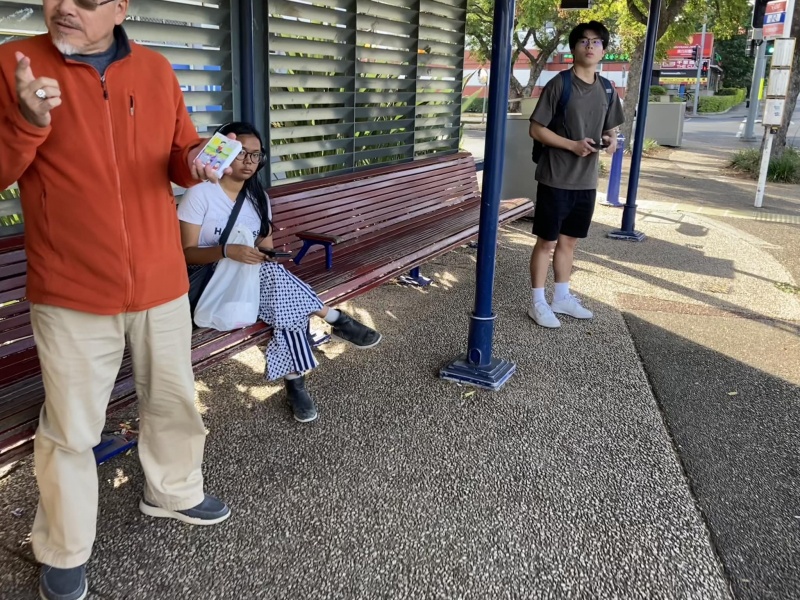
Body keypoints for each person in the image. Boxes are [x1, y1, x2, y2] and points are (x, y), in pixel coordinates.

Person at [0, 2, 233, 599]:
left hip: (160, 279)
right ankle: (64, 547)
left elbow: (178, 155)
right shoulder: (14, 64)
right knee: (71, 428)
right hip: (71, 286)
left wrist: (198, 161)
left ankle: (173, 492)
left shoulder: (155, 70)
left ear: (120, 7)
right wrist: (26, 121)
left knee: (174, 401)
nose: (65, 7)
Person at [178, 122, 382, 424]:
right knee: (282, 291)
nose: (249, 161)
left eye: (255, 155)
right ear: (224, 153)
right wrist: (228, 251)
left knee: (284, 299)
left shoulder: (258, 199)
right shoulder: (200, 194)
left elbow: (266, 250)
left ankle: (299, 378)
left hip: (250, 281)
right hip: (209, 286)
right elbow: (186, 253)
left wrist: (261, 254)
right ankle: (330, 326)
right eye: (240, 153)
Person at [527, 20, 624, 329]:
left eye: (596, 41)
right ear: (573, 48)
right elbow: (536, 129)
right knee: (547, 242)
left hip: (586, 180)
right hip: (555, 177)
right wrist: (572, 145)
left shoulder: (607, 88)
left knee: (569, 241)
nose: (590, 46)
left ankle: (562, 297)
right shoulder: (560, 84)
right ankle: (538, 303)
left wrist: (610, 139)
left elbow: (611, 128)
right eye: (584, 41)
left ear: (604, 50)